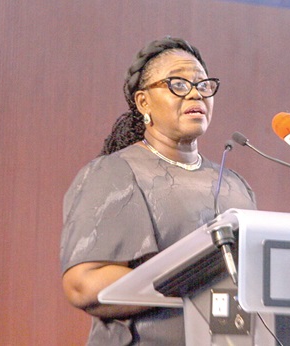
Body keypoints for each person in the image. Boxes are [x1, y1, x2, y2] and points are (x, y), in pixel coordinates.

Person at [60, 37, 256, 345]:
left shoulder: (234, 185)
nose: (195, 93)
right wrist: (194, 282)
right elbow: (83, 285)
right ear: (143, 103)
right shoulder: (115, 174)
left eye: (203, 84)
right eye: (178, 84)